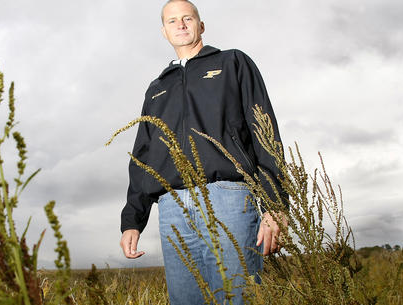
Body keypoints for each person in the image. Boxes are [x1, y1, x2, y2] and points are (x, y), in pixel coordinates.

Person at [118, 1, 287, 304]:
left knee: (240, 297)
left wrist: (274, 204)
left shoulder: (232, 62)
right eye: (172, 21)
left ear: (201, 25)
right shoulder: (156, 88)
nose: (180, 24)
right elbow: (143, 157)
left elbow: (265, 132)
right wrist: (132, 220)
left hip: (229, 199)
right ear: (164, 31)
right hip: (172, 208)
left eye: (187, 18)